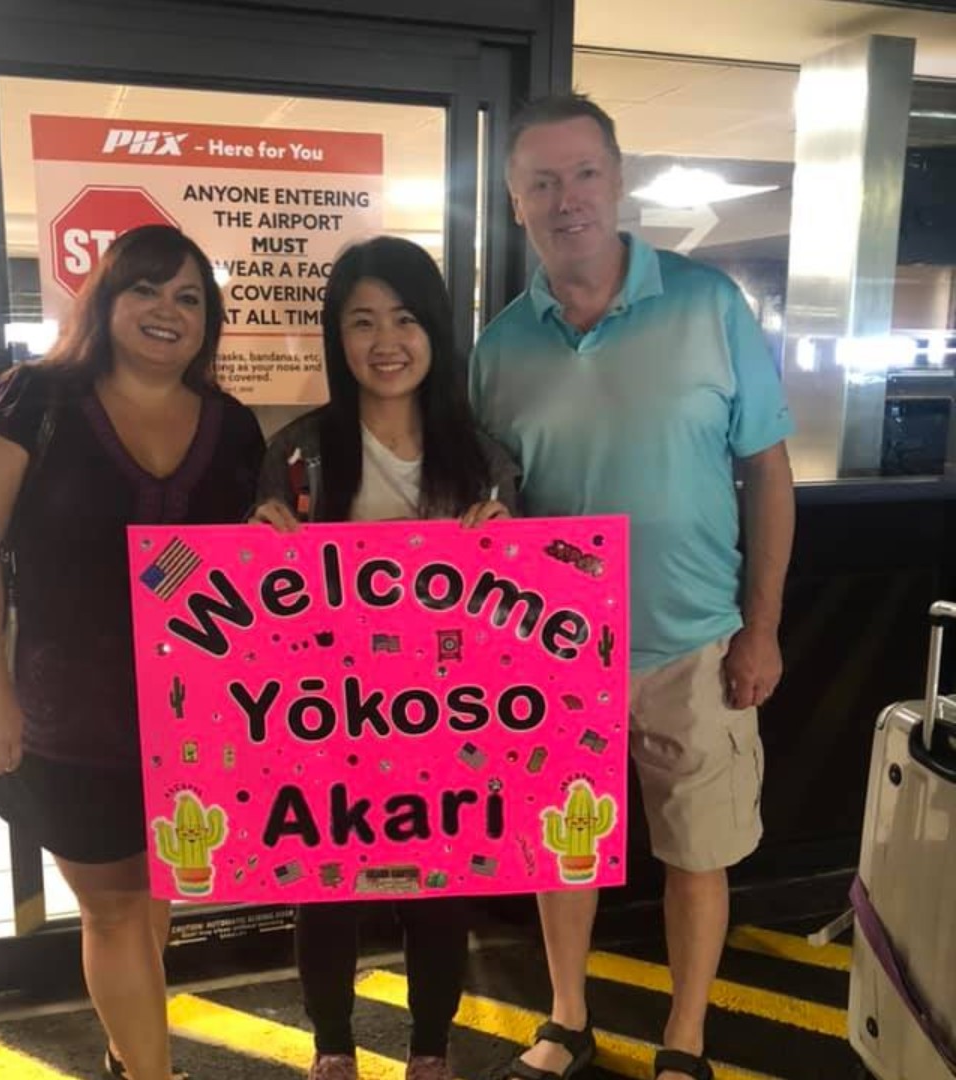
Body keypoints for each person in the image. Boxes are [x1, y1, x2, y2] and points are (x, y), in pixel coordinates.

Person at [469, 94, 796, 1080]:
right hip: (554, 656)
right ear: (514, 201)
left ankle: (685, 1040)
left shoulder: (707, 305)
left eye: (583, 174)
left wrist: (763, 629)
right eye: (541, 181)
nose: (565, 198)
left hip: (695, 644)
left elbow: (768, 474)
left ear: (617, 181)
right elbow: (490, 499)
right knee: (564, 850)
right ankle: (568, 1017)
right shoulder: (498, 348)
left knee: (698, 855)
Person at [0, 224, 265, 1080]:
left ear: (209, 321)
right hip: (66, 714)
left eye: (189, 297)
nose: (168, 310)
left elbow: (230, 571)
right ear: (107, 301)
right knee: (115, 908)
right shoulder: (35, 400)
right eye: (147, 289)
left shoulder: (233, 428)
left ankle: (129, 1056)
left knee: (151, 898)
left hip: (191, 718)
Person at [252, 235, 519, 1080]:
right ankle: (333, 1046)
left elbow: (524, 608)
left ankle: (431, 1050)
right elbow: (255, 607)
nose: (384, 341)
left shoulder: (483, 460)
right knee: (324, 888)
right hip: (326, 715)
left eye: (404, 318)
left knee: (440, 890)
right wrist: (257, 546)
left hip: (448, 718)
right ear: (336, 337)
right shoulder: (297, 455)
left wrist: (513, 549)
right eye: (360, 321)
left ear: (435, 330)